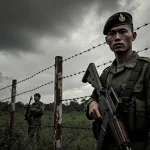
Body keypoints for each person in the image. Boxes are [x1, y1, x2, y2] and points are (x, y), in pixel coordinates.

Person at [85, 12, 150, 150]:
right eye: (112, 33)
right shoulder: (106, 74)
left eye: (123, 32)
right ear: (107, 40)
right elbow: (93, 98)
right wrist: (92, 103)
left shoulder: (146, 69)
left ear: (133, 36)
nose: (117, 37)